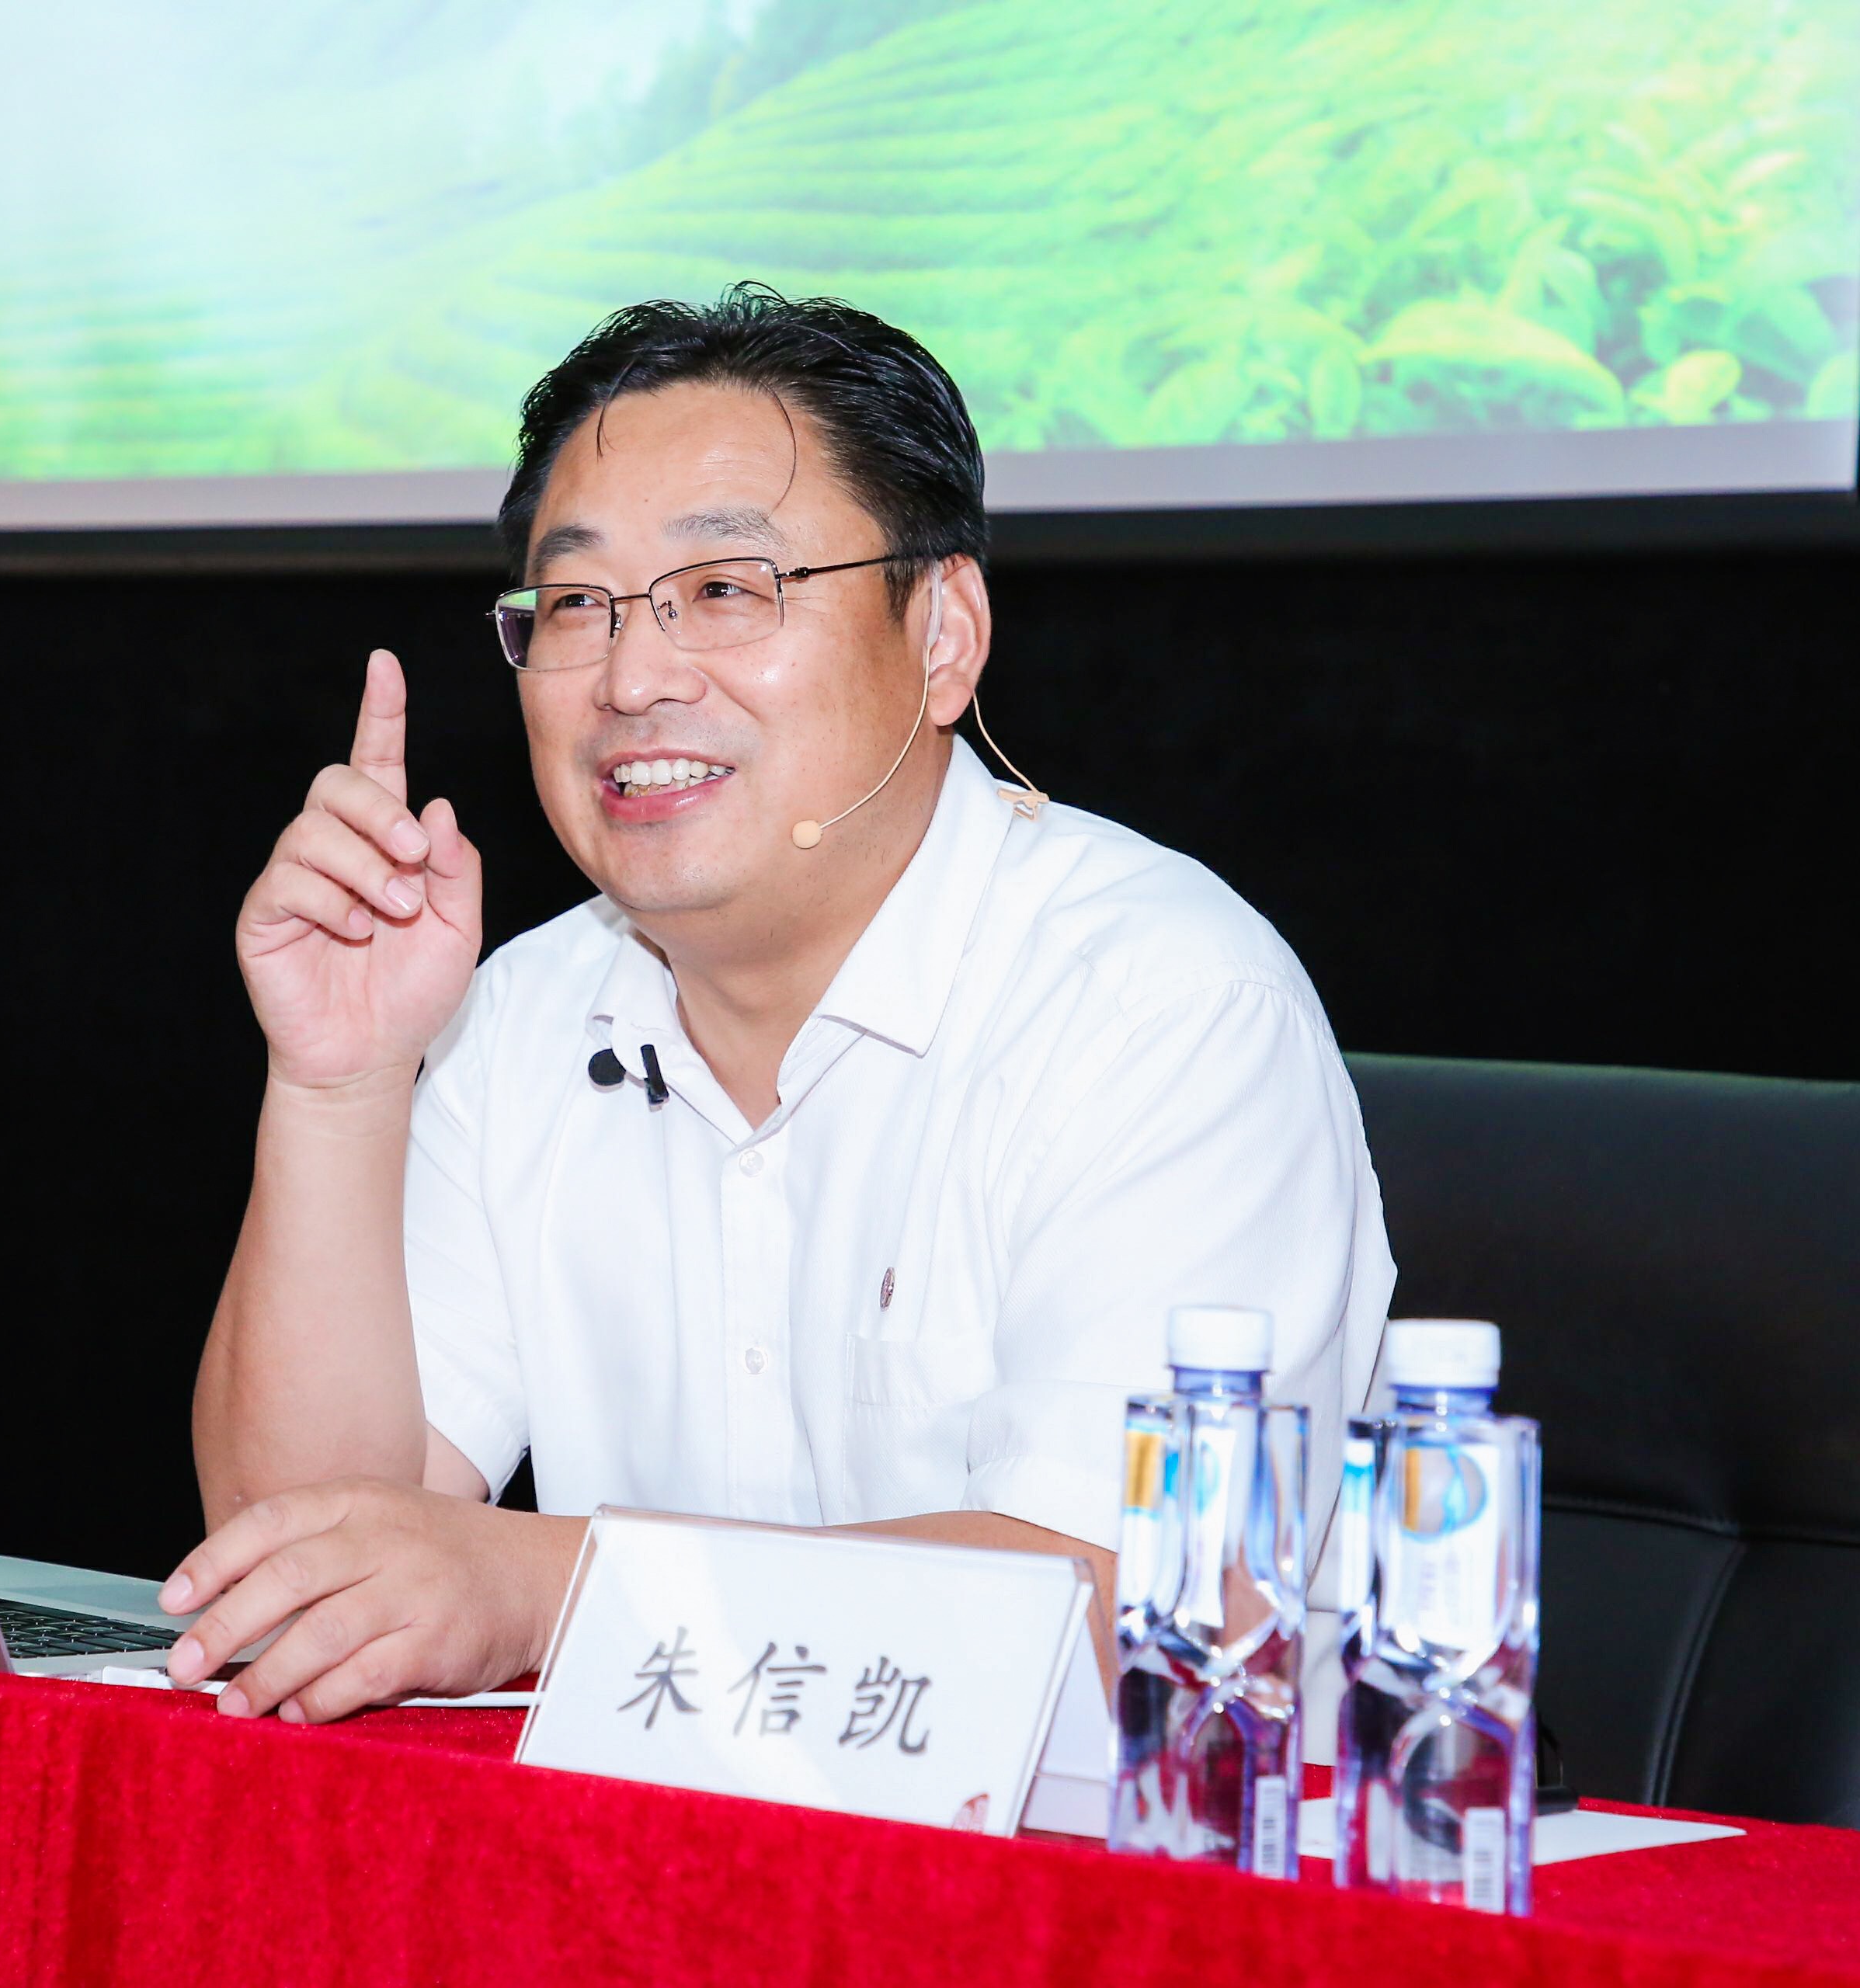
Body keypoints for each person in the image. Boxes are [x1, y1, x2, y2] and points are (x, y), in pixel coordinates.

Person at [161, 284, 1394, 1722]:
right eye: (578, 606)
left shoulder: (1165, 1007)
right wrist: (339, 1086)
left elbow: (1146, 1622)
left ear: (942, 635)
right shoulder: (519, 1017)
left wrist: (551, 1589)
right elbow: (303, 1573)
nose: (632, 677)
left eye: (725, 591)